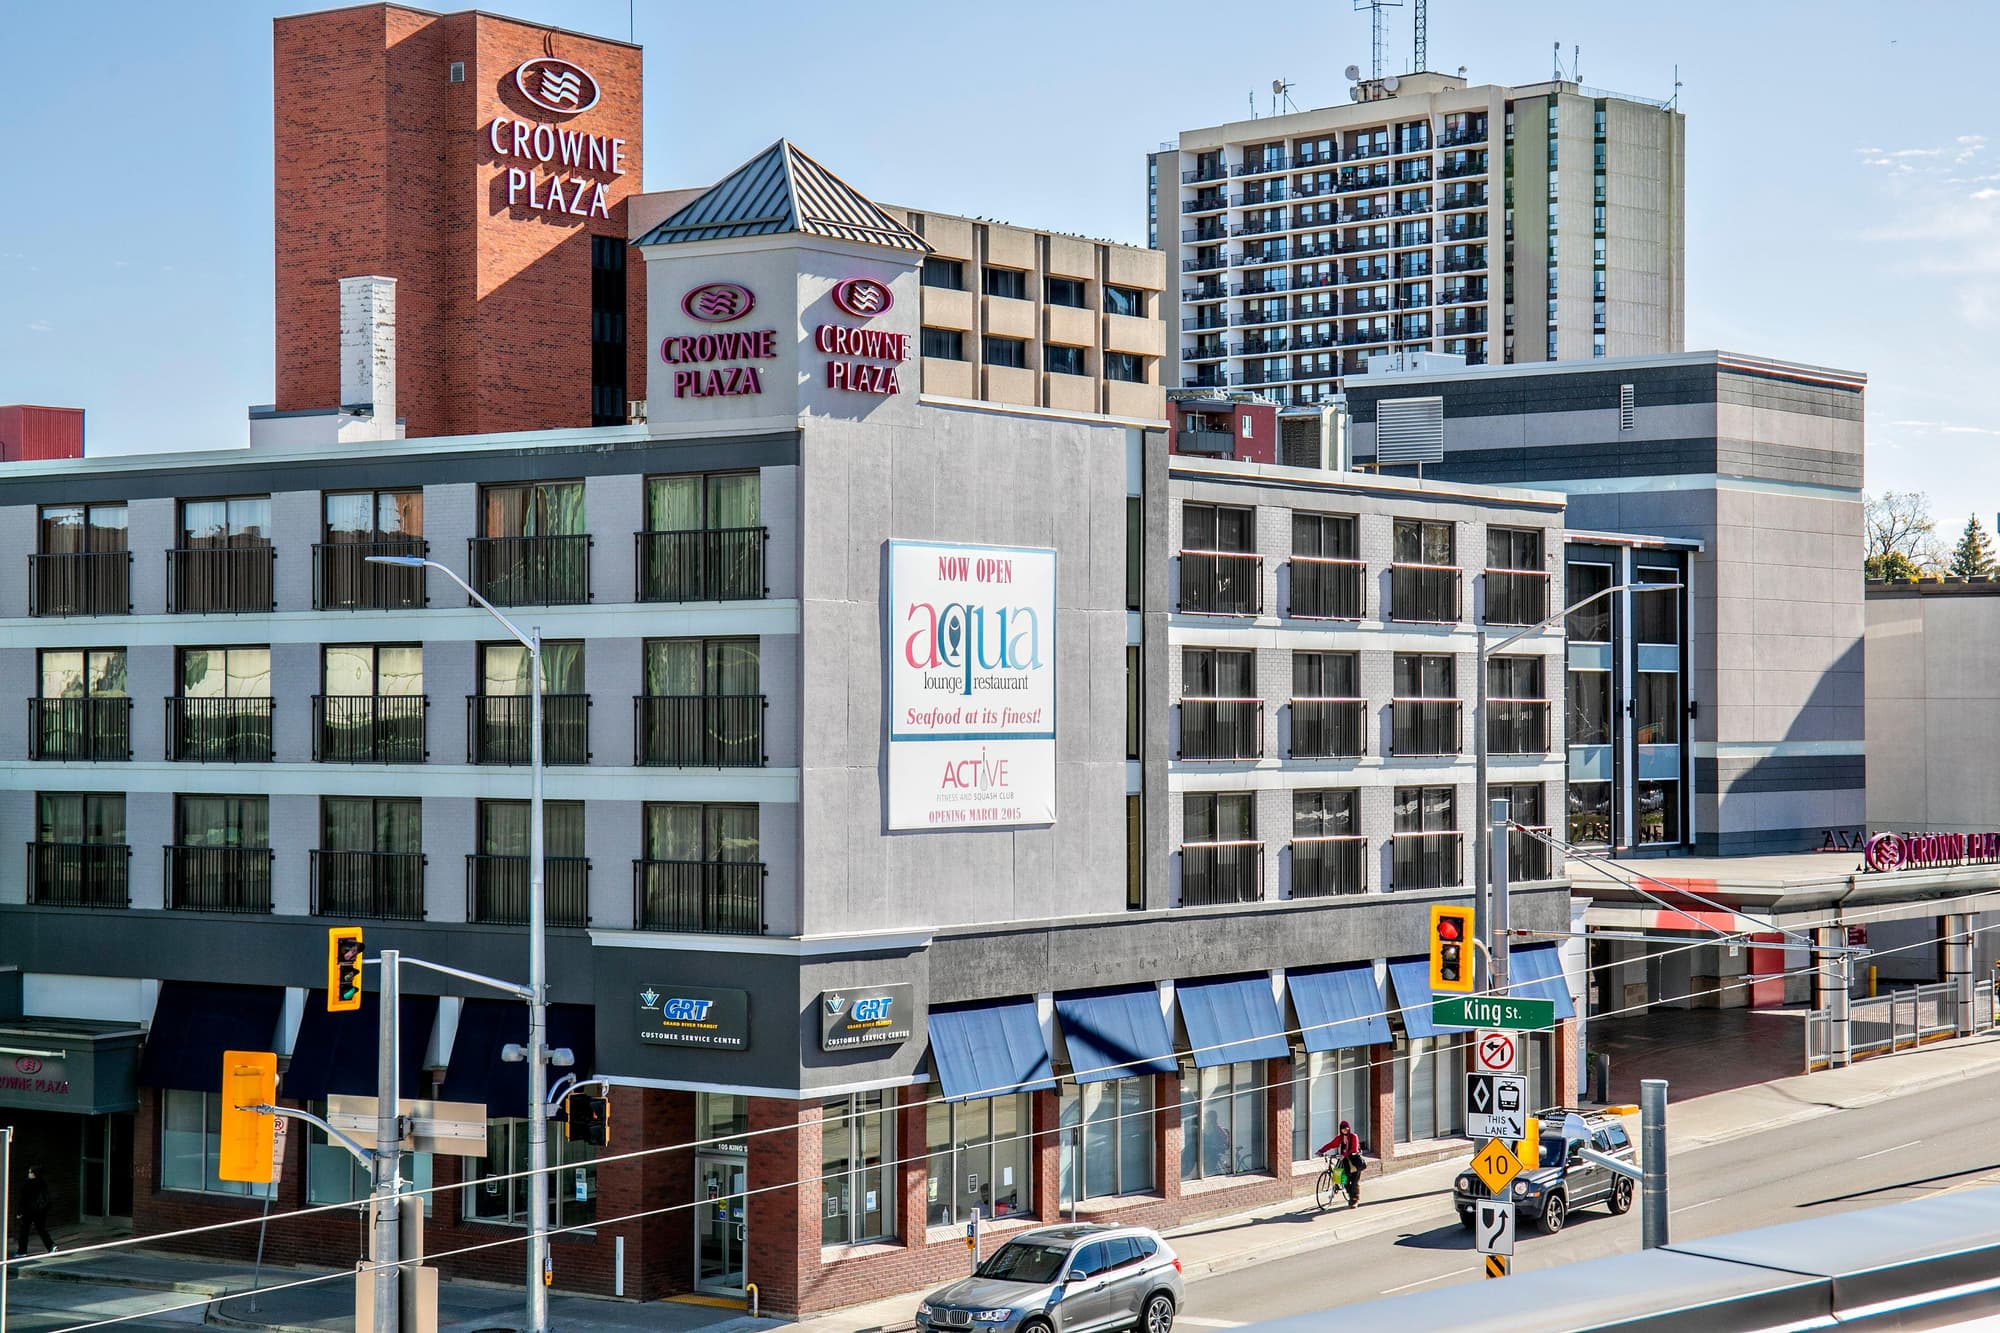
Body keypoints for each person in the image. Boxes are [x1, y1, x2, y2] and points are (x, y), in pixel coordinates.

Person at [1317, 1121, 1366, 1206]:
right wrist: (1321, 1151)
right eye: (1343, 1128)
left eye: (1346, 1128)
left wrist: (1344, 1155)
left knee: (1354, 1182)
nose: (1345, 1130)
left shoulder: (1354, 1136)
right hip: (1345, 1161)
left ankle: (1355, 1200)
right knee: (1340, 1178)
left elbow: (1354, 1149)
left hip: (1354, 1161)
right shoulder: (1340, 1138)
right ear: (1340, 1129)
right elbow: (1331, 1144)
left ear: (1349, 1128)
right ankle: (1348, 1194)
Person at [14, 1164, 56, 1256]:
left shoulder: (27, 1184)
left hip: (28, 1211)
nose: (29, 1174)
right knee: (41, 1229)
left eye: (30, 1172)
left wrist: (19, 1212)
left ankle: (22, 1251)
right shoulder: (43, 1183)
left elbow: (23, 1200)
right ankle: (51, 1246)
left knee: (24, 1231)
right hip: (40, 1211)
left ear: (34, 1174)